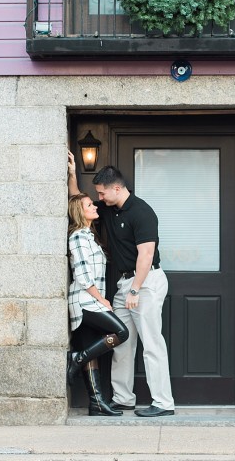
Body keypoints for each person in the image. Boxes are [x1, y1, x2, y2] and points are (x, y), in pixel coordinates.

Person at [68, 152, 175, 417]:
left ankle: (163, 403)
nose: (99, 199)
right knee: (122, 343)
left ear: (117, 188)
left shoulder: (142, 212)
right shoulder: (109, 209)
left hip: (146, 281)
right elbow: (78, 202)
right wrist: (72, 175)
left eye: (102, 194)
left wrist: (136, 290)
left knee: (151, 342)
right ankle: (124, 398)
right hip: (125, 282)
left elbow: (146, 255)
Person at [66, 193, 130, 417]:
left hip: (92, 299)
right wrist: (101, 299)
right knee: (122, 332)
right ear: (79, 212)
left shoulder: (89, 236)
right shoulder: (77, 238)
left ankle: (97, 403)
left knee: (91, 352)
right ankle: (77, 358)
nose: (95, 206)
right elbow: (83, 275)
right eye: (89, 205)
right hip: (85, 301)